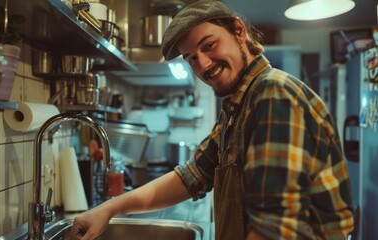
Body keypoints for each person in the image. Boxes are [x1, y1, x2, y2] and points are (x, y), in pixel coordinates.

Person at [70, 0, 354, 239]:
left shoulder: (272, 93)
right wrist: (108, 209)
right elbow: (193, 175)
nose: (203, 65)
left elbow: (275, 227)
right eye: (191, 58)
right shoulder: (239, 104)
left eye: (209, 45)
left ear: (239, 31)